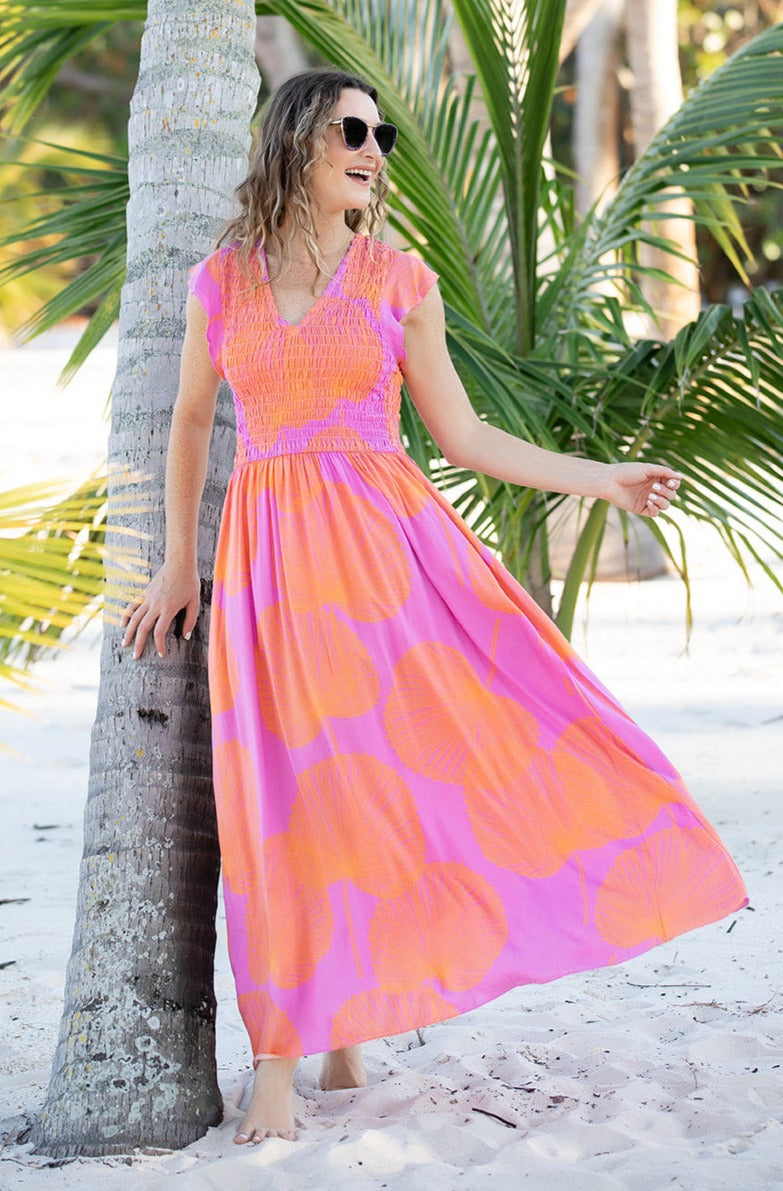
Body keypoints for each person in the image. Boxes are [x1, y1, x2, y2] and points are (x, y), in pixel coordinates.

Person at [121, 68, 747, 1147]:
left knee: (379, 788)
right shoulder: (219, 281)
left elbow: (464, 436)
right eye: (352, 132)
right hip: (269, 574)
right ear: (296, 141)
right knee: (281, 803)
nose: (374, 151)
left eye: (383, 136)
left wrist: (601, 478)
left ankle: (340, 1029)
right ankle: (288, 1052)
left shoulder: (400, 280)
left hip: (384, 569)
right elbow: (187, 422)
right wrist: (179, 563)